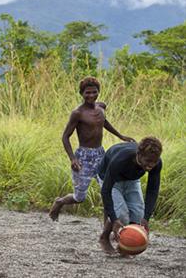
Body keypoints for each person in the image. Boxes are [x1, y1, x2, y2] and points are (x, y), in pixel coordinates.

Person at [49, 77, 135, 221]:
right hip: (83, 157)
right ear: (81, 93)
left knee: (108, 192)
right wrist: (73, 158)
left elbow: (104, 122)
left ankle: (108, 228)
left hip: (101, 155)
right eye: (87, 93)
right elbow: (65, 137)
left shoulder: (101, 107)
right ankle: (60, 202)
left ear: (98, 92)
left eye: (94, 92)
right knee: (79, 197)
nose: (91, 96)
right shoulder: (77, 113)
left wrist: (121, 136)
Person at [97, 137, 162, 254]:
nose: (151, 165)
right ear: (139, 154)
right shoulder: (120, 160)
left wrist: (146, 218)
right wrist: (114, 218)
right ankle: (104, 237)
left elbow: (152, 190)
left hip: (132, 179)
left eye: (154, 162)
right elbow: (106, 191)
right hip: (109, 178)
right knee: (121, 215)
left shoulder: (156, 162)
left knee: (138, 215)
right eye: (148, 161)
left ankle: (125, 243)